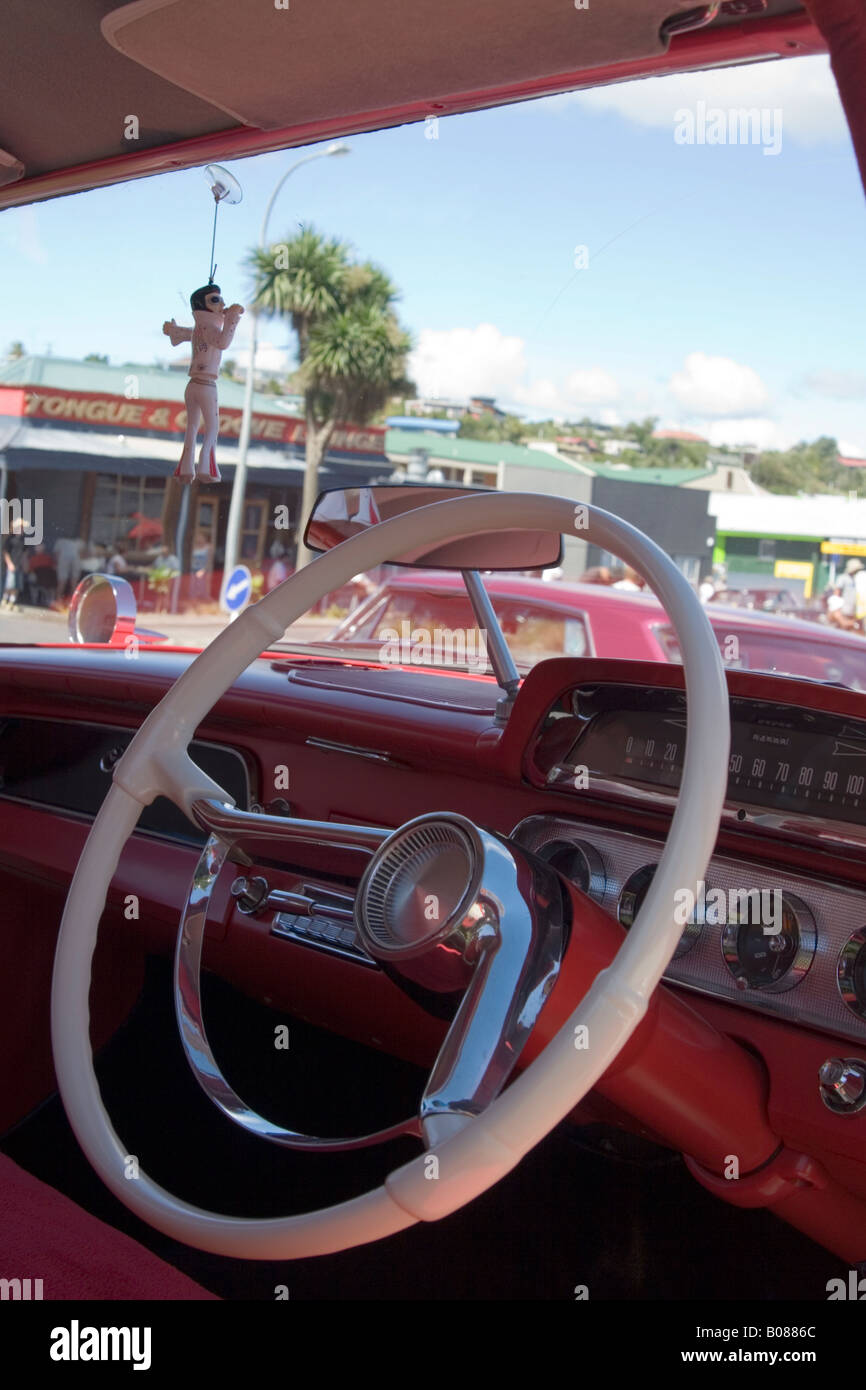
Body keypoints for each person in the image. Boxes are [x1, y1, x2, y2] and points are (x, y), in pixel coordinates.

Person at [163, 284, 243, 484]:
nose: (222, 304)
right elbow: (223, 342)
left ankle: (186, 469)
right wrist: (232, 318)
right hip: (206, 385)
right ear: (203, 306)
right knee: (212, 428)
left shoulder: (200, 328)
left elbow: (179, 335)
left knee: (192, 427)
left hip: (193, 385)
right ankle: (207, 468)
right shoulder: (210, 329)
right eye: (215, 300)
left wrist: (172, 330)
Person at [2, 517, 27, 610]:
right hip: (11, 564)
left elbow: (25, 553)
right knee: (10, 584)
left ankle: (12, 601)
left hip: (19, 564)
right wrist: (9, 564)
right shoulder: (11, 538)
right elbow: (6, 551)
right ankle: (5, 600)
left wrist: (24, 563)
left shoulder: (23, 539)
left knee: (17, 585)